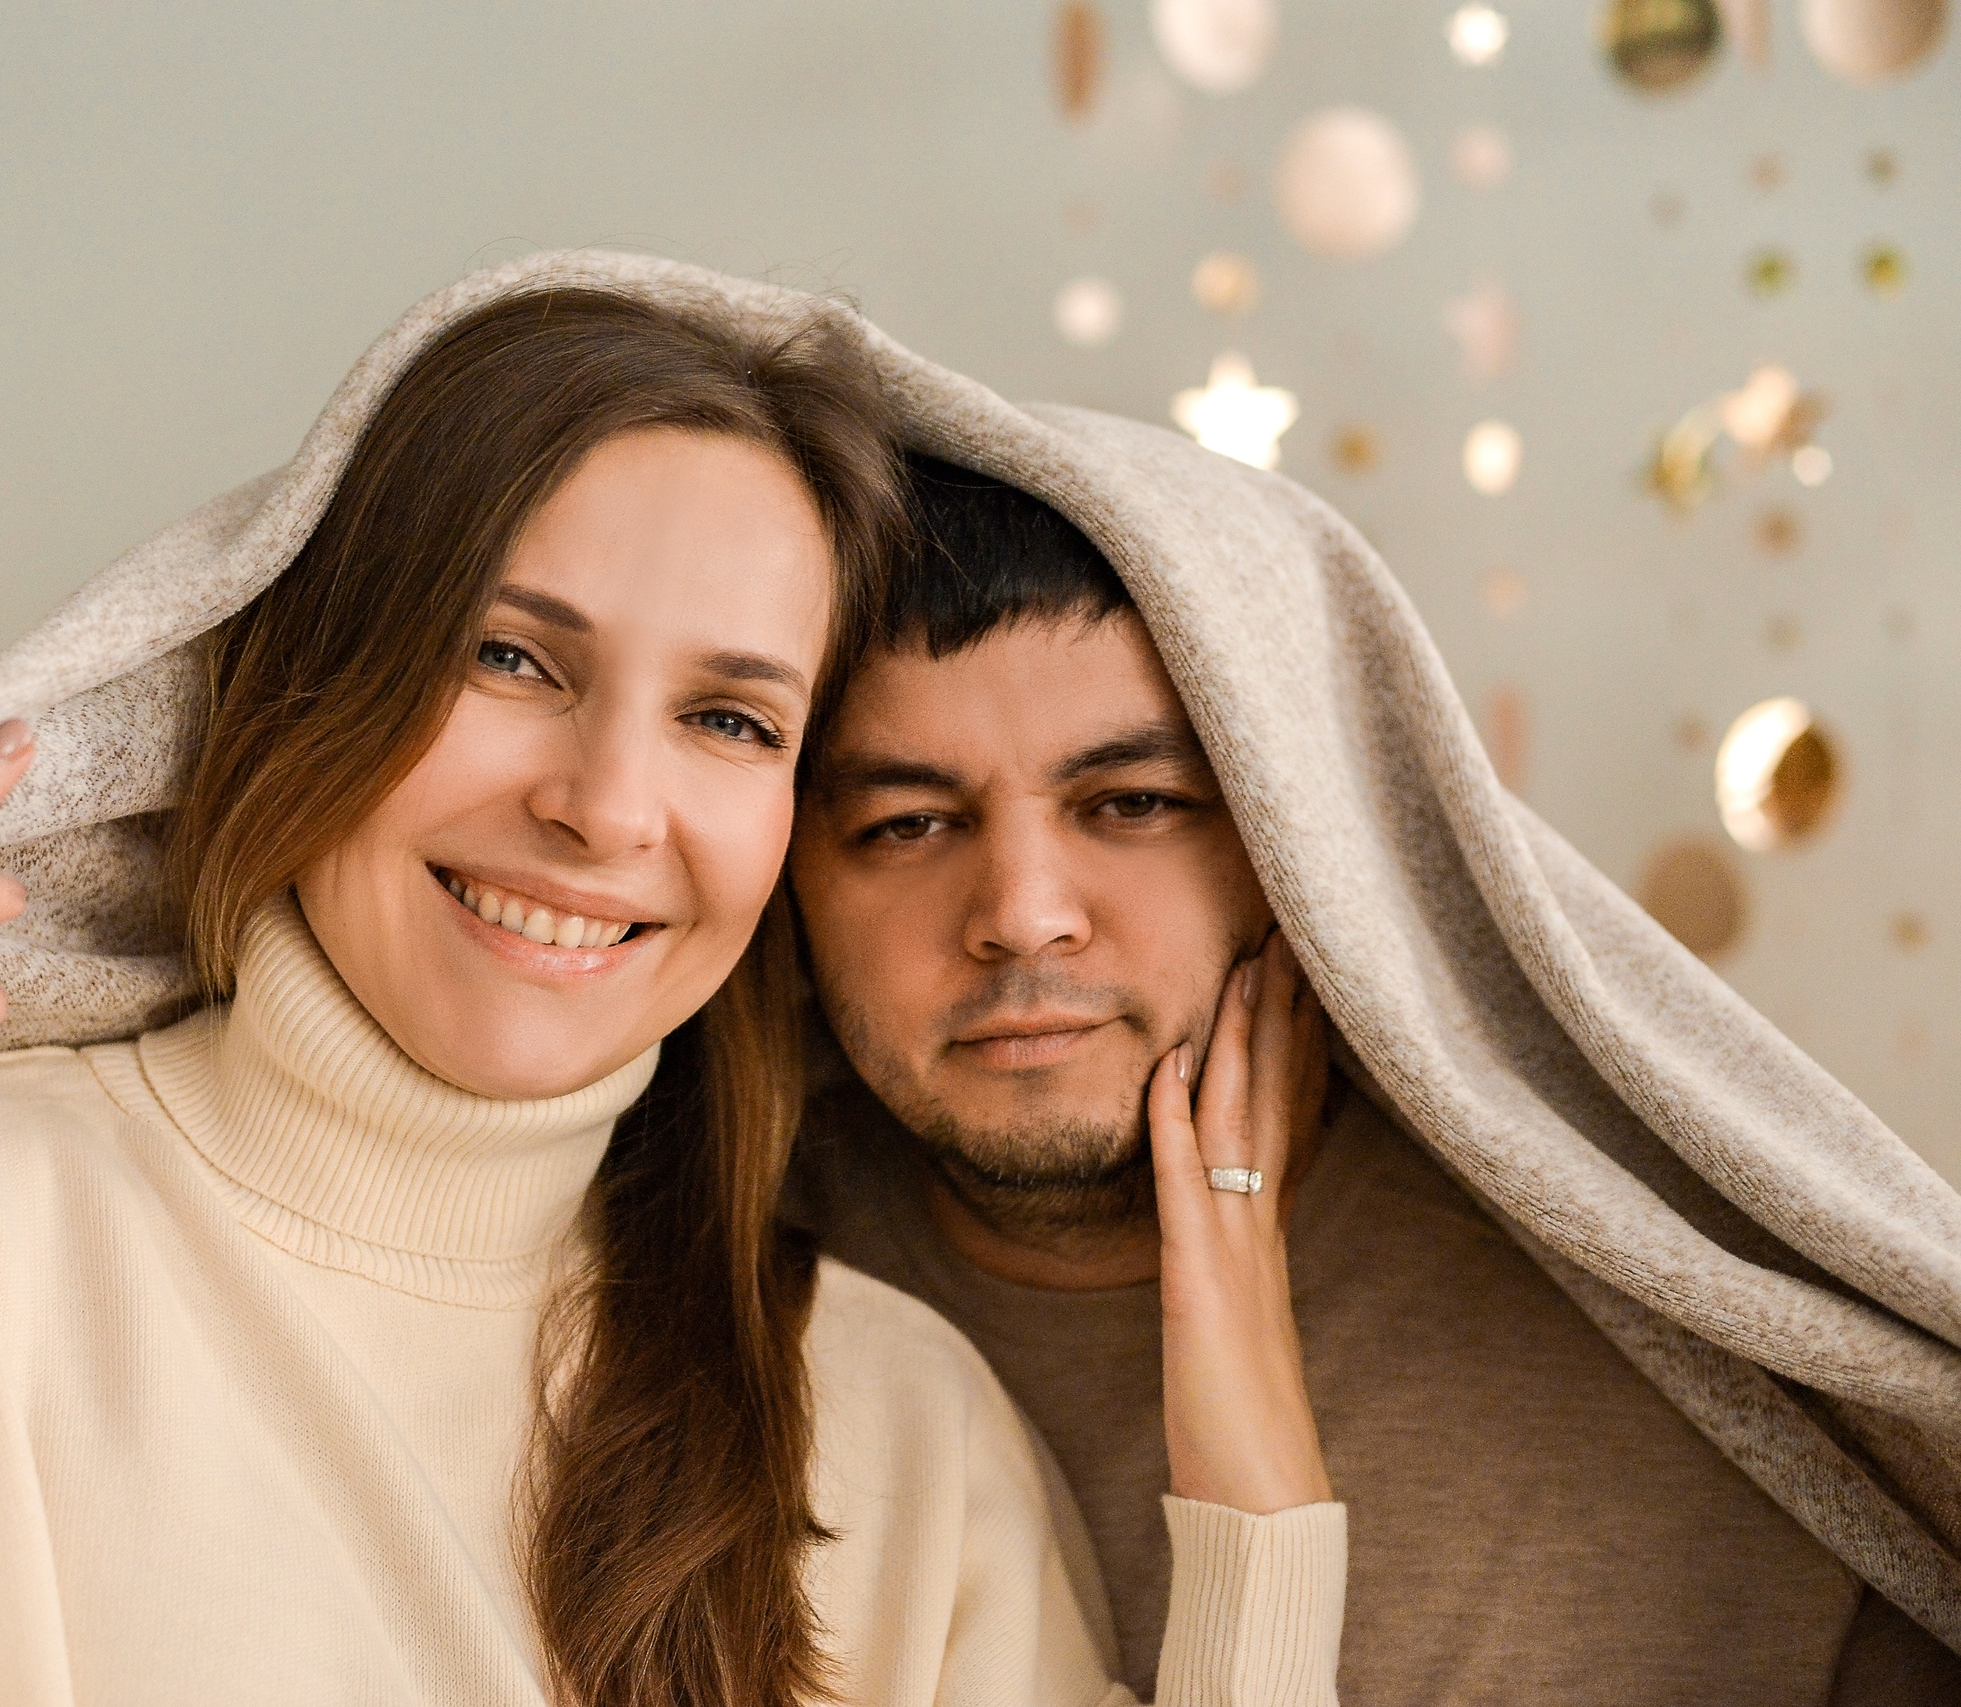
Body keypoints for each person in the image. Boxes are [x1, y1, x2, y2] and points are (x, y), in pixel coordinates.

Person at [0, 283, 1347, 1705]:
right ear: (311, 679)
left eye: (729, 717)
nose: (606, 807)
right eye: (511, 657)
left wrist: (1258, 1507)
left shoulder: (889, 1420)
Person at [787, 455, 1961, 1703]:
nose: (1023, 916)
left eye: (1133, 803)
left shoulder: (1713, 1385)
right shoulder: (700, 1306)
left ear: (1300, 835)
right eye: (906, 824)